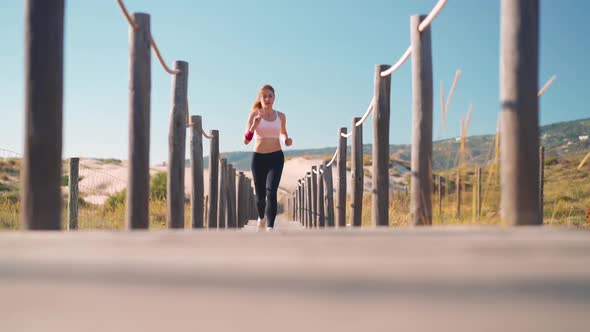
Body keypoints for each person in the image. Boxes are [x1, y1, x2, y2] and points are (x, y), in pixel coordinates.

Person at [243, 84, 293, 231]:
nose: (267, 98)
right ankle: (261, 217)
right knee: (260, 196)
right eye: (264, 96)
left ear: (274, 98)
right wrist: (253, 126)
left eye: (270, 95)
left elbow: (283, 133)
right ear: (260, 98)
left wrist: (286, 140)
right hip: (258, 159)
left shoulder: (281, 116)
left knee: (271, 191)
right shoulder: (254, 115)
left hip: (276, 158)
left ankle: (270, 228)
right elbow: (246, 141)